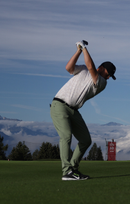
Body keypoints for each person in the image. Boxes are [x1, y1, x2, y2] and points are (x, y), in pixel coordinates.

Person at [50, 40, 116, 181]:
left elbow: (91, 67)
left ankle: (73, 169)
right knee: (66, 136)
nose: (109, 77)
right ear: (102, 67)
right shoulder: (84, 70)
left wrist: (84, 48)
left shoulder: (101, 83)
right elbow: (69, 68)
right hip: (59, 105)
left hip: (73, 111)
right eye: (108, 73)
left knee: (85, 140)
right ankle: (66, 171)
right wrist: (79, 50)